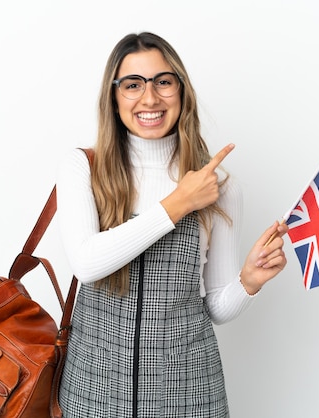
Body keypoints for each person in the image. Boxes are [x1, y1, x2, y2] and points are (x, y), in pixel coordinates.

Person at [56, 32, 288, 418]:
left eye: (163, 81)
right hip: (92, 389)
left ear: (182, 91)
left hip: (188, 391)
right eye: (132, 85)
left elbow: (215, 307)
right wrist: (179, 202)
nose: (150, 98)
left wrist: (248, 282)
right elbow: (87, 262)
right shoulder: (84, 168)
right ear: (113, 98)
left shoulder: (220, 187)